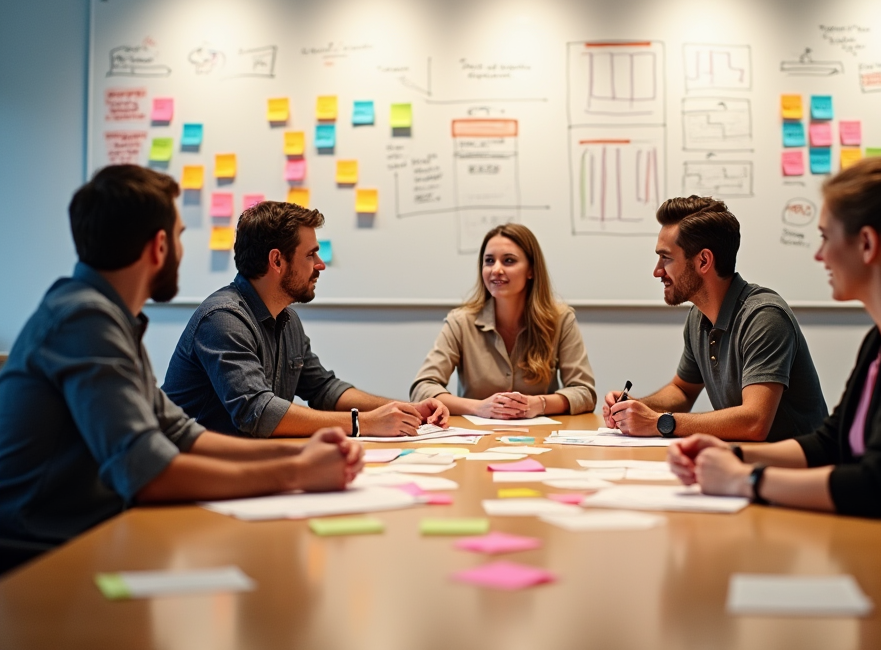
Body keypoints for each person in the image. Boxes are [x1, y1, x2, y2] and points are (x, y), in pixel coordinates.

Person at [668, 142, 881, 561]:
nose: (819, 255)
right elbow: (830, 443)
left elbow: (880, 484)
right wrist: (729, 453)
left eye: (824, 238)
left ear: (867, 244)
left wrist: (747, 480)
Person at [0, 167, 363, 550]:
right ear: (159, 246)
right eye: (179, 236)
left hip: (85, 537)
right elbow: (147, 472)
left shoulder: (106, 316)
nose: (181, 249)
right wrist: (295, 472)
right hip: (40, 554)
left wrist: (301, 452)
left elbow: (180, 434)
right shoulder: (84, 320)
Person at [163, 201, 447, 438]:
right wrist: (365, 423)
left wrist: (405, 408)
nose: (320, 265)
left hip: (245, 464)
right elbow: (258, 412)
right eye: (311, 255)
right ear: (276, 261)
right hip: (191, 475)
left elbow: (323, 389)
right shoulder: (223, 320)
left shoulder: (287, 320)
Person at [604, 196, 827, 441]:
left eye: (666, 258)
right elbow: (682, 390)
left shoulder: (764, 317)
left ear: (703, 261)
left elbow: (754, 422)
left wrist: (660, 422)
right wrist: (635, 407)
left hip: (795, 471)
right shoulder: (698, 316)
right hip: (744, 463)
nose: (657, 271)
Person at [411, 224, 596, 418]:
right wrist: (478, 408)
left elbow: (584, 392)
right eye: (489, 261)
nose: (496, 270)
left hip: (541, 441)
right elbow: (422, 388)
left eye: (508, 261)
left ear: (531, 270)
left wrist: (539, 404)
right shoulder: (461, 322)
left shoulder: (560, 319)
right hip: (476, 441)